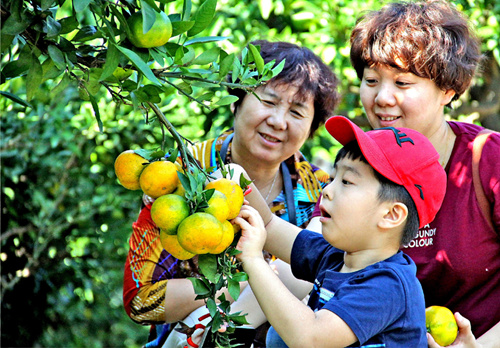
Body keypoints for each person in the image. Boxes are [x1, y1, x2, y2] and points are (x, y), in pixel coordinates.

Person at [122, 40, 341, 347]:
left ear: (311, 128)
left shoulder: (319, 189)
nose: (278, 122)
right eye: (268, 101)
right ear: (236, 102)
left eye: (296, 111)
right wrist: (240, 287)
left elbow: (334, 276)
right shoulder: (182, 176)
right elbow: (141, 300)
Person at [348, 1, 500, 346]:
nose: (382, 98)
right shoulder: (358, 164)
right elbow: (311, 255)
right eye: (371, 80)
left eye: (402, 83)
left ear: (448, 91)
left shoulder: (489, 161)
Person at [232, 115, 447, 347]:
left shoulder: (388, 285)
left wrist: (253, 260)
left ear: (391, 215)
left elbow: (310, 338)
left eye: (346, 182)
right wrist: (238, 182)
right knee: (278, 336)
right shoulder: (335, 257)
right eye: (334, 177)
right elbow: (269, 227)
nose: (327, 190)